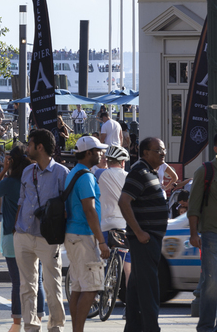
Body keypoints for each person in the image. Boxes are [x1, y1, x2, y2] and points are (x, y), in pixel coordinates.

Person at [14, 128, 69, 332]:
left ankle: (56, 325)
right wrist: (15, 229)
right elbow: (21, 200)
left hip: (48, 237)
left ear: (39, 147)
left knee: (52, 284)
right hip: (23, 233)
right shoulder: (28, 171)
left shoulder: (61, 173)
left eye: (29, 144)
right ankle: (30, 326)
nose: (26, 148)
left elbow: (68, 206)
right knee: (26, 285)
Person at [118, 137, 169, 332]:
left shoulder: (150, 172)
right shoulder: (139, 171)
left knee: (137, 286)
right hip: (145, 240)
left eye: (163, 150)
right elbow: (124, 201)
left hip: (150, 238)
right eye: (158, 150)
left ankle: (133, 327)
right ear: (145, 153)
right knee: (149, 288)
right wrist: (138, 232)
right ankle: (151, 328)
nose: (163, 153)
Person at [0, 146, 40, 332]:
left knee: (17, 282)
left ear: (11, 161)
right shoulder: (33, 179)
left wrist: (4, 170)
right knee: (37, 280)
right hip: (34, 231)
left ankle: (17, 323)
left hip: (12, 233)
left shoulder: (10, 182)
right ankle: (38, 318)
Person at [64, 136, 111, 332]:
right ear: (89, 153)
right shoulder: (86, 177)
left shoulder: (74, 172)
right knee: (91, 288)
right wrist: (101, 241)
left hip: (73, 235)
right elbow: (89, 210)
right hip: (84, 236)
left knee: (78, 287)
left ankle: (77, 329)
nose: (102, 154)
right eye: (98, 150)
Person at [189, 134, 217, 332]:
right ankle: (206, 327)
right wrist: (193, 234)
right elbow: (193, 207)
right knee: (212, 282)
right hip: (211, 235)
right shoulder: (205, 171)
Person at [99, 145, 132, 289]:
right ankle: (130, 300)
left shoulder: (101, 174)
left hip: (104, 225)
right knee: (128, 269)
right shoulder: (129, 177)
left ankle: (99, 292)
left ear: (108, 160)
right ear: (123, 162)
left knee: (101, 261)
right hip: (124, 226)